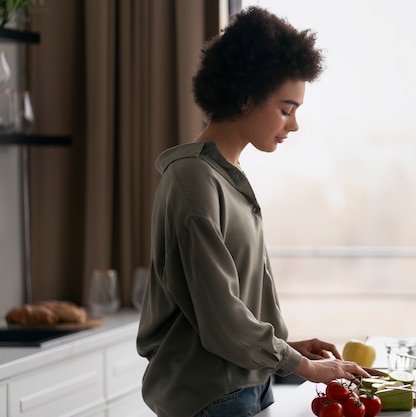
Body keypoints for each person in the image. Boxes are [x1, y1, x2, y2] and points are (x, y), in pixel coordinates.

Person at [136, 6, 369, 417]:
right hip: (213, 397)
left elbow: (231, 310)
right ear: (246, 97)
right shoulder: (195, 182)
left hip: (245, 387)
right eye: (285, 108)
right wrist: (308, 368)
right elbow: (223, 319)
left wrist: (287, 349)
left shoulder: (226, 175)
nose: (293, 124)